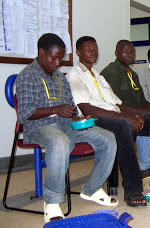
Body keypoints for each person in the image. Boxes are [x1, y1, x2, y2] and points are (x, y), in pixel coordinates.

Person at [67, 37, 150, 204]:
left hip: (115, 115)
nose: (93, 52)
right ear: (78, 52)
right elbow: (87, 109)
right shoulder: (75, 75)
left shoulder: (98, 76)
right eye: (88, 49)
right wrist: (124, 117)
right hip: (96, 119)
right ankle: (133, 189)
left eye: (95, 49)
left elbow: (120, 104)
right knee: (123, 126)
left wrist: (147, 113)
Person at [15, 33, 118, 223]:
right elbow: (25, 113)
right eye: (53, 58)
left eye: (60, 59)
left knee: (108, 137)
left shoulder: (59, 78)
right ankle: (52, 202)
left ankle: (92, 189)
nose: (57, 63)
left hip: (65, 125)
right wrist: (56, 109)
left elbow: (68, 106)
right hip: (39, 127)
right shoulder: (26, 76)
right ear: (41, 52)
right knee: (60, 141)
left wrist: (79, 117)